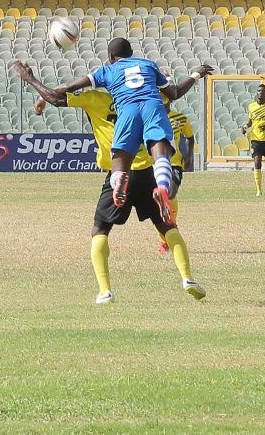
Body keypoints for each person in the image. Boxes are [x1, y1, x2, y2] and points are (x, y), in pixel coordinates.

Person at [12, 60, 205, 303]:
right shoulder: (150, 96)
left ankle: (105, 291)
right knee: (167, 227)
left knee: (100, 230)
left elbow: (57, 97)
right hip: (147, 169)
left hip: (119, 171)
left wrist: (31, 81)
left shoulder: (93, 98)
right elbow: (175, 91)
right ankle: (187, 278)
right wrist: (195, 74)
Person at [30, 39, 213, 225]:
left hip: (126, 111)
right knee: (161, 153)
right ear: (131, 53)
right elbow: (174, 93)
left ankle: (118, 180)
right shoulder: (148, 65)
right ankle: (163, 188)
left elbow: (68, 88)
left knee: (120, 160)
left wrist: (40, 95)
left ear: (110, 56)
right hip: (151, 106)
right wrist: (196, 74)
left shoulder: (106, 71)